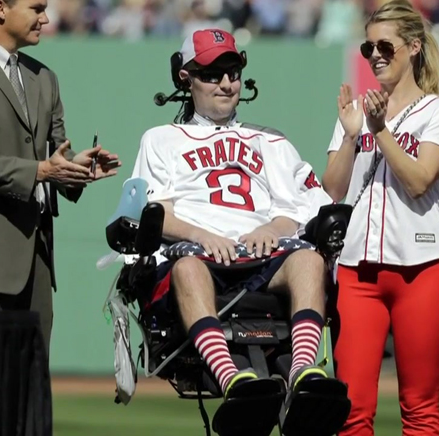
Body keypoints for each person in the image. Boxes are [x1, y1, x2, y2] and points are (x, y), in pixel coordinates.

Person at [130, 28, 349, 436]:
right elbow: (154, 211)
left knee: (308, 258)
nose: (227, 83)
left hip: (264, 256)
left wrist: (274, 226)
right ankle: (233, 380)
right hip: (198, 256)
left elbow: (309, 205)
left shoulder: (271, 140)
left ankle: (303, 371)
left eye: (233, 71)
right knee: (187, 266)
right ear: (185, 77)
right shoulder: (161, 139)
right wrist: (200, 235)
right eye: (213, 74)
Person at [0, 0, 119, 433]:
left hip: (34, 268)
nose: (46, 18)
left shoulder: (44, 77)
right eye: (36, 7)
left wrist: (76, 171)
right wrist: (41, 170)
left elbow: (55, 159)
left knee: (22, 408)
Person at [321, 0, 439, 434]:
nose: (376, 55)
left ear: (414, 47)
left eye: (386, 45)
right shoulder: (357, 114)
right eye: (368, 48)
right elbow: (332, 189)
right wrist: (351, 136)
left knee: (419, 411)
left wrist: (380, 131)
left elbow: (419, 180)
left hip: (421, 272)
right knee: (351, 412)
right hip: (357, 272)